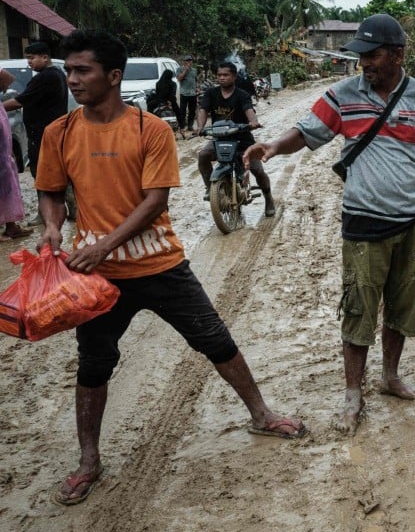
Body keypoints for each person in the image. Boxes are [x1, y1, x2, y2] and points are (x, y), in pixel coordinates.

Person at [34, 29, 306, 506]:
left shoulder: (150, 130)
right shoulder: (60, 133)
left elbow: (154, 200)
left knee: (215, 340)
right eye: (68, 70)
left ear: (113, 76)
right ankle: (88, 461)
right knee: (94, 365)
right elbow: (51, 191)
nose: (71, 79)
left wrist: (103, 246)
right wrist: (53, 228)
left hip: (160, 265)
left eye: (82, 70)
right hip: (97, 280)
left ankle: (261, 414)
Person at [243, 13, 415, 436]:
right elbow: (307, 132)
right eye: (360, 56)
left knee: (403, 303)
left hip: (413, 220)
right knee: (360, 307)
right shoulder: (343, 95)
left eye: (372, 55)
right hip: (364, 221)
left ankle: (390, 376)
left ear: (398, 55)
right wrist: (273, 146)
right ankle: (352, 393)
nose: (364, 63)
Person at [196, 62, 275, 217]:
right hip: (220, 139)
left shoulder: (242, 94)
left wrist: (252, 122)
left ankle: (268, 197)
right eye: (219, 75)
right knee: (203, 155)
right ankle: (210, 188)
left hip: (243, 140)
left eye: (226, 75)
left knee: (258, 171)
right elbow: (203, 110)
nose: (222, 78)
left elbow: (249, 110)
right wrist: (200, 126)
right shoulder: (211, 93)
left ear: (234, 76)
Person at [3, 41, 68, 225]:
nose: (29, 63)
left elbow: (21, 100)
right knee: (56, 172)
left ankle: (45, 214)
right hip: (49, 132)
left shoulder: (46, 77)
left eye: (31, 58)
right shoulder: (56, 74)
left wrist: (0, 108)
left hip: (43, 134)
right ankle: (71, 210)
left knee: (41, 174)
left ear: (45, 57)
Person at [0, 69, 32, 241]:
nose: (6, 89)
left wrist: (10, 154)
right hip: (2, 159)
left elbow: (6, 133)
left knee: (9, 191)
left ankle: (11, 227)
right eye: (4, 85)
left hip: (5, 158)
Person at [176, 54, 198, 134]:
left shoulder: (194, 70)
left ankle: (190, 126)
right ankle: (182, 127)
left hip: (193, 93)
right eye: (187, 60)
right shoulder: (179, 69)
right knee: (183, 111)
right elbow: (179, 78)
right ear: (184, 61)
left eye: (190, 60)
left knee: (192, 111)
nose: (189, 62)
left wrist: (197, 88)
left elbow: (195, 80)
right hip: (184, 93)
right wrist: (185, 70)